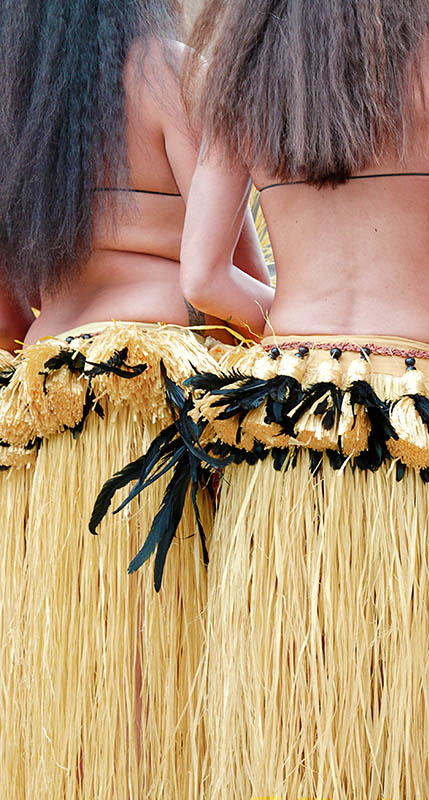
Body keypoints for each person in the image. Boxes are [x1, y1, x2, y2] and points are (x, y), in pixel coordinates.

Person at [163, 0, 429, 795]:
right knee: (419, 681)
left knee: (291, 681)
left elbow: (202, 278)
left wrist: (286, 329)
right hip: (416, 405)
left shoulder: (244, 80)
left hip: (285, 408)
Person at [0, 1, 271, 796]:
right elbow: (229, 276)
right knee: (161, 664)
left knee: (65, 676)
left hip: (47, 413)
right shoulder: (172, 71)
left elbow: (8, 319)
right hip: (155, 417)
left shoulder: (12, 103)